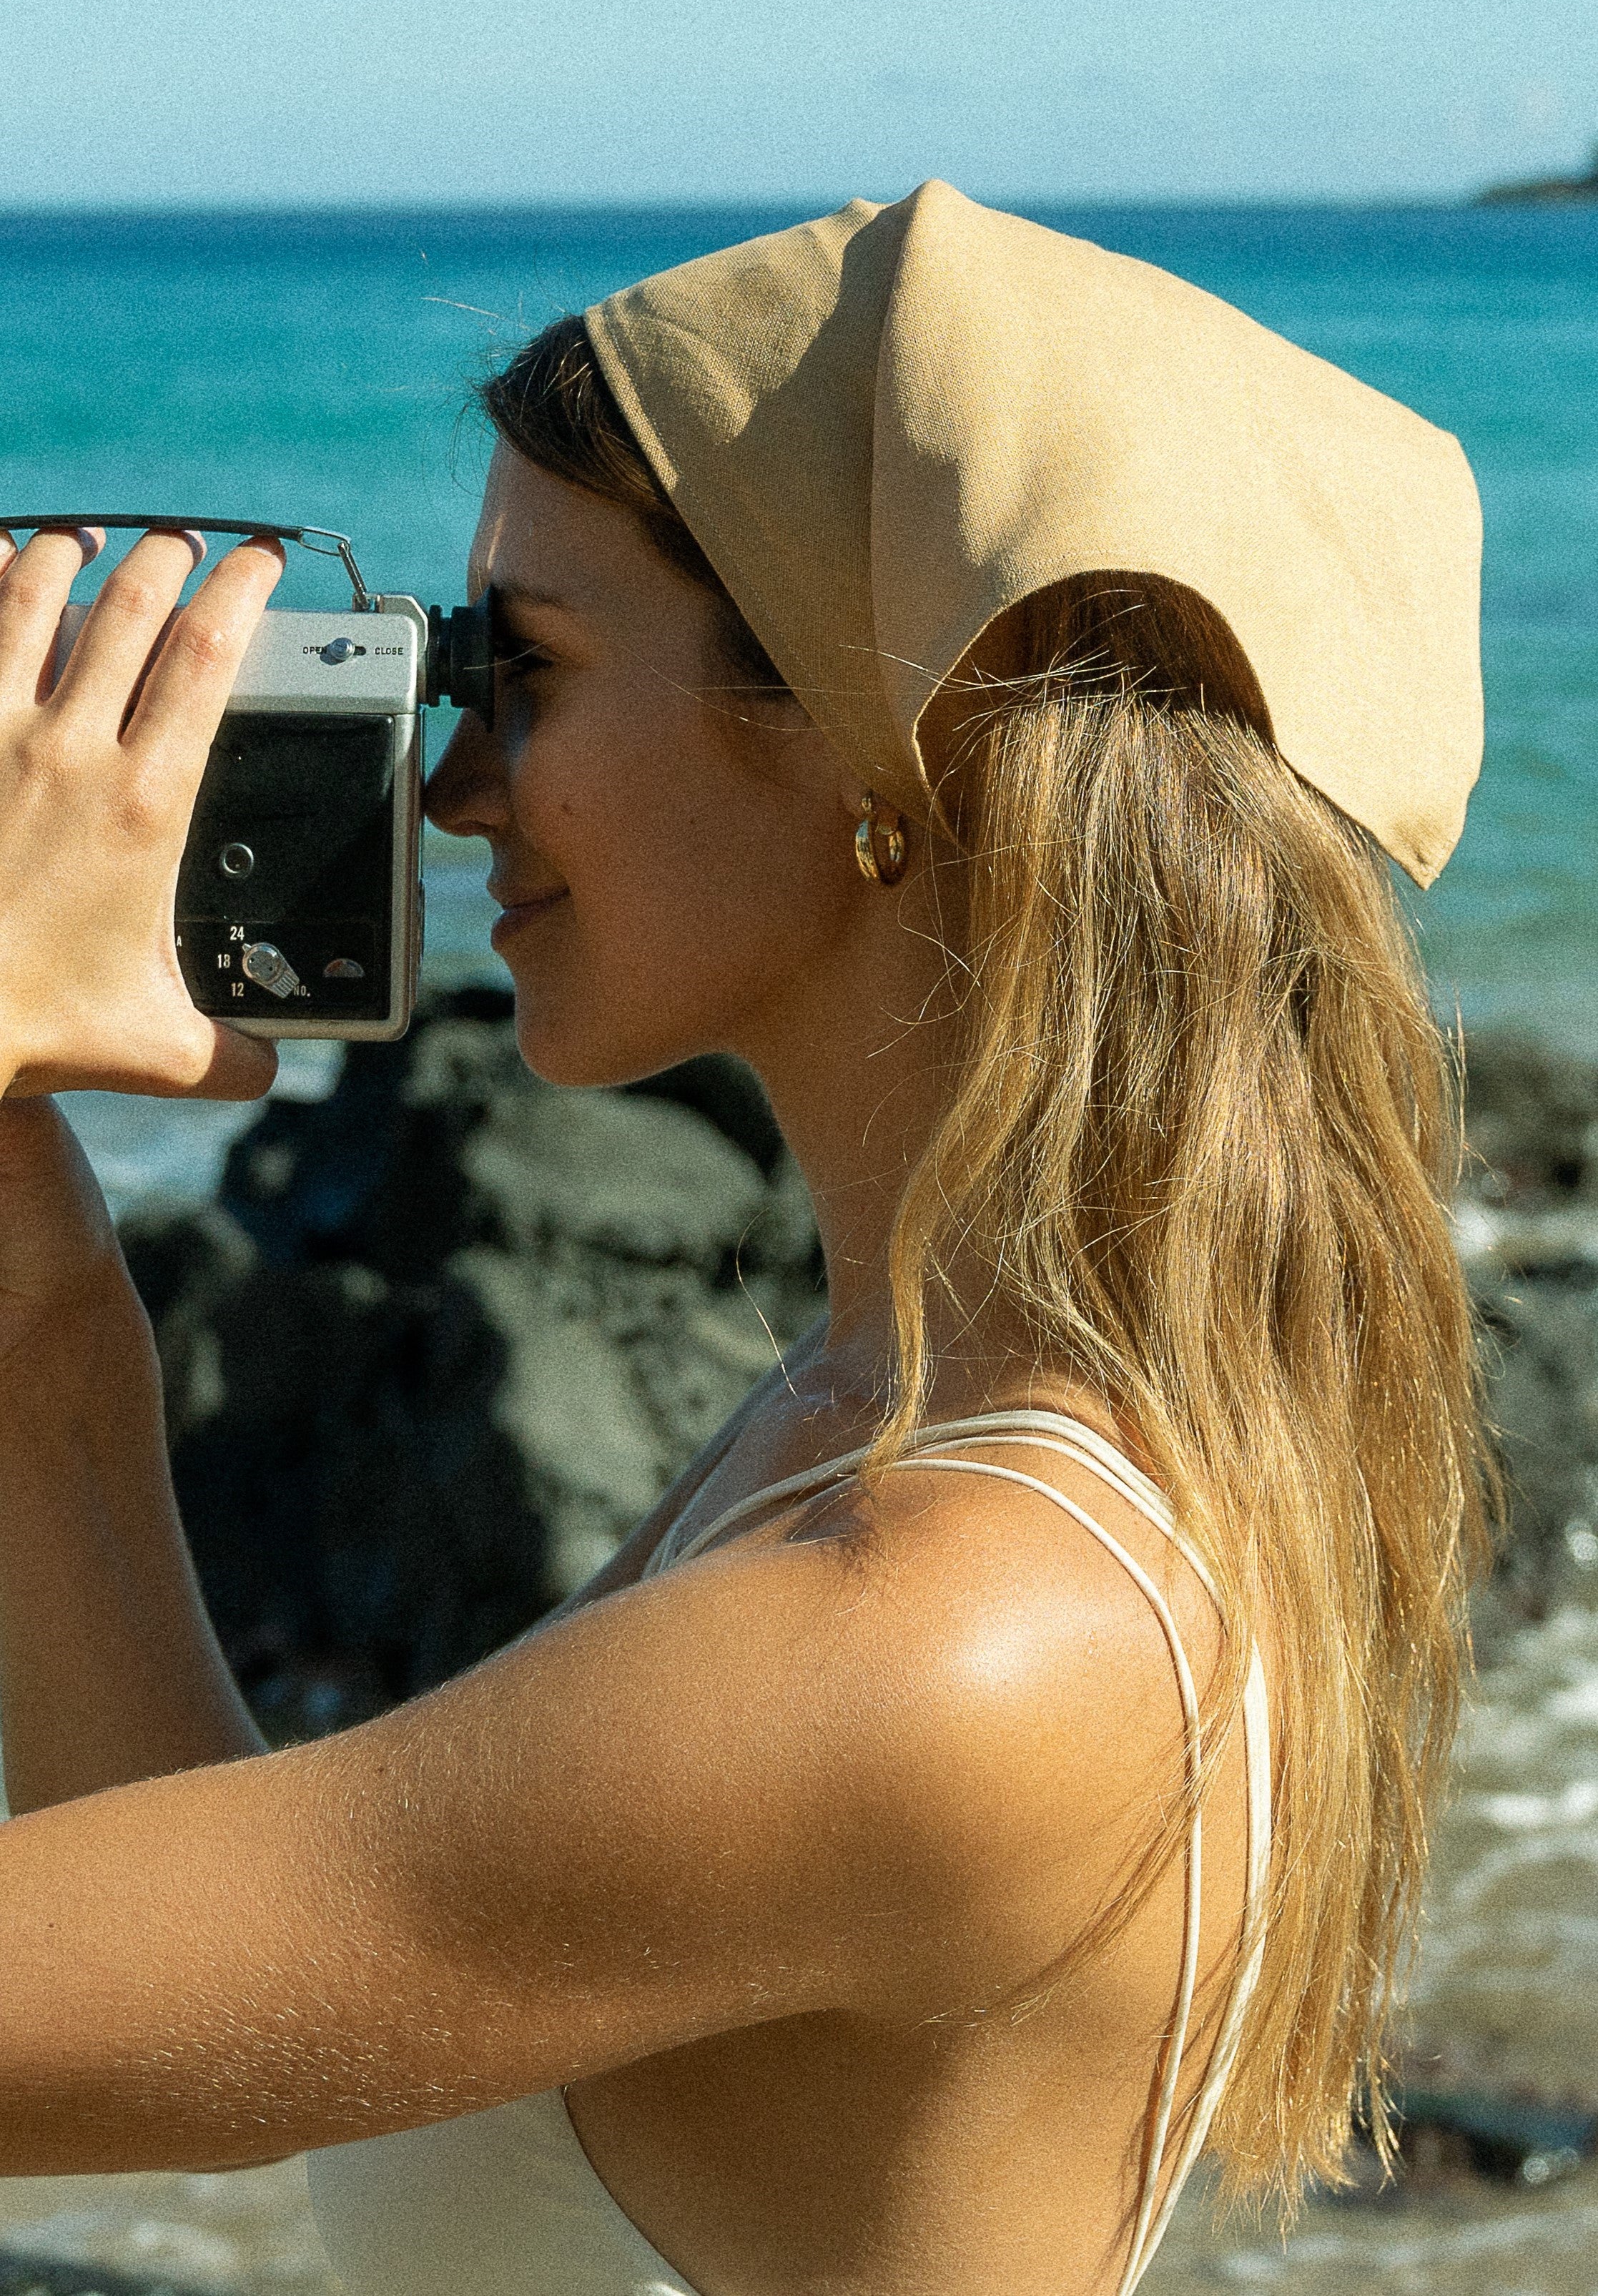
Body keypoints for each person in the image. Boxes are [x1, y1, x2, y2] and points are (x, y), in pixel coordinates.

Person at [0, 183, 1494, 2296]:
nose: (448, 788)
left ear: (882, 749)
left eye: (519, 670)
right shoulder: (892, 1414)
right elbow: (161, 1958)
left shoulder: (950, 1642)